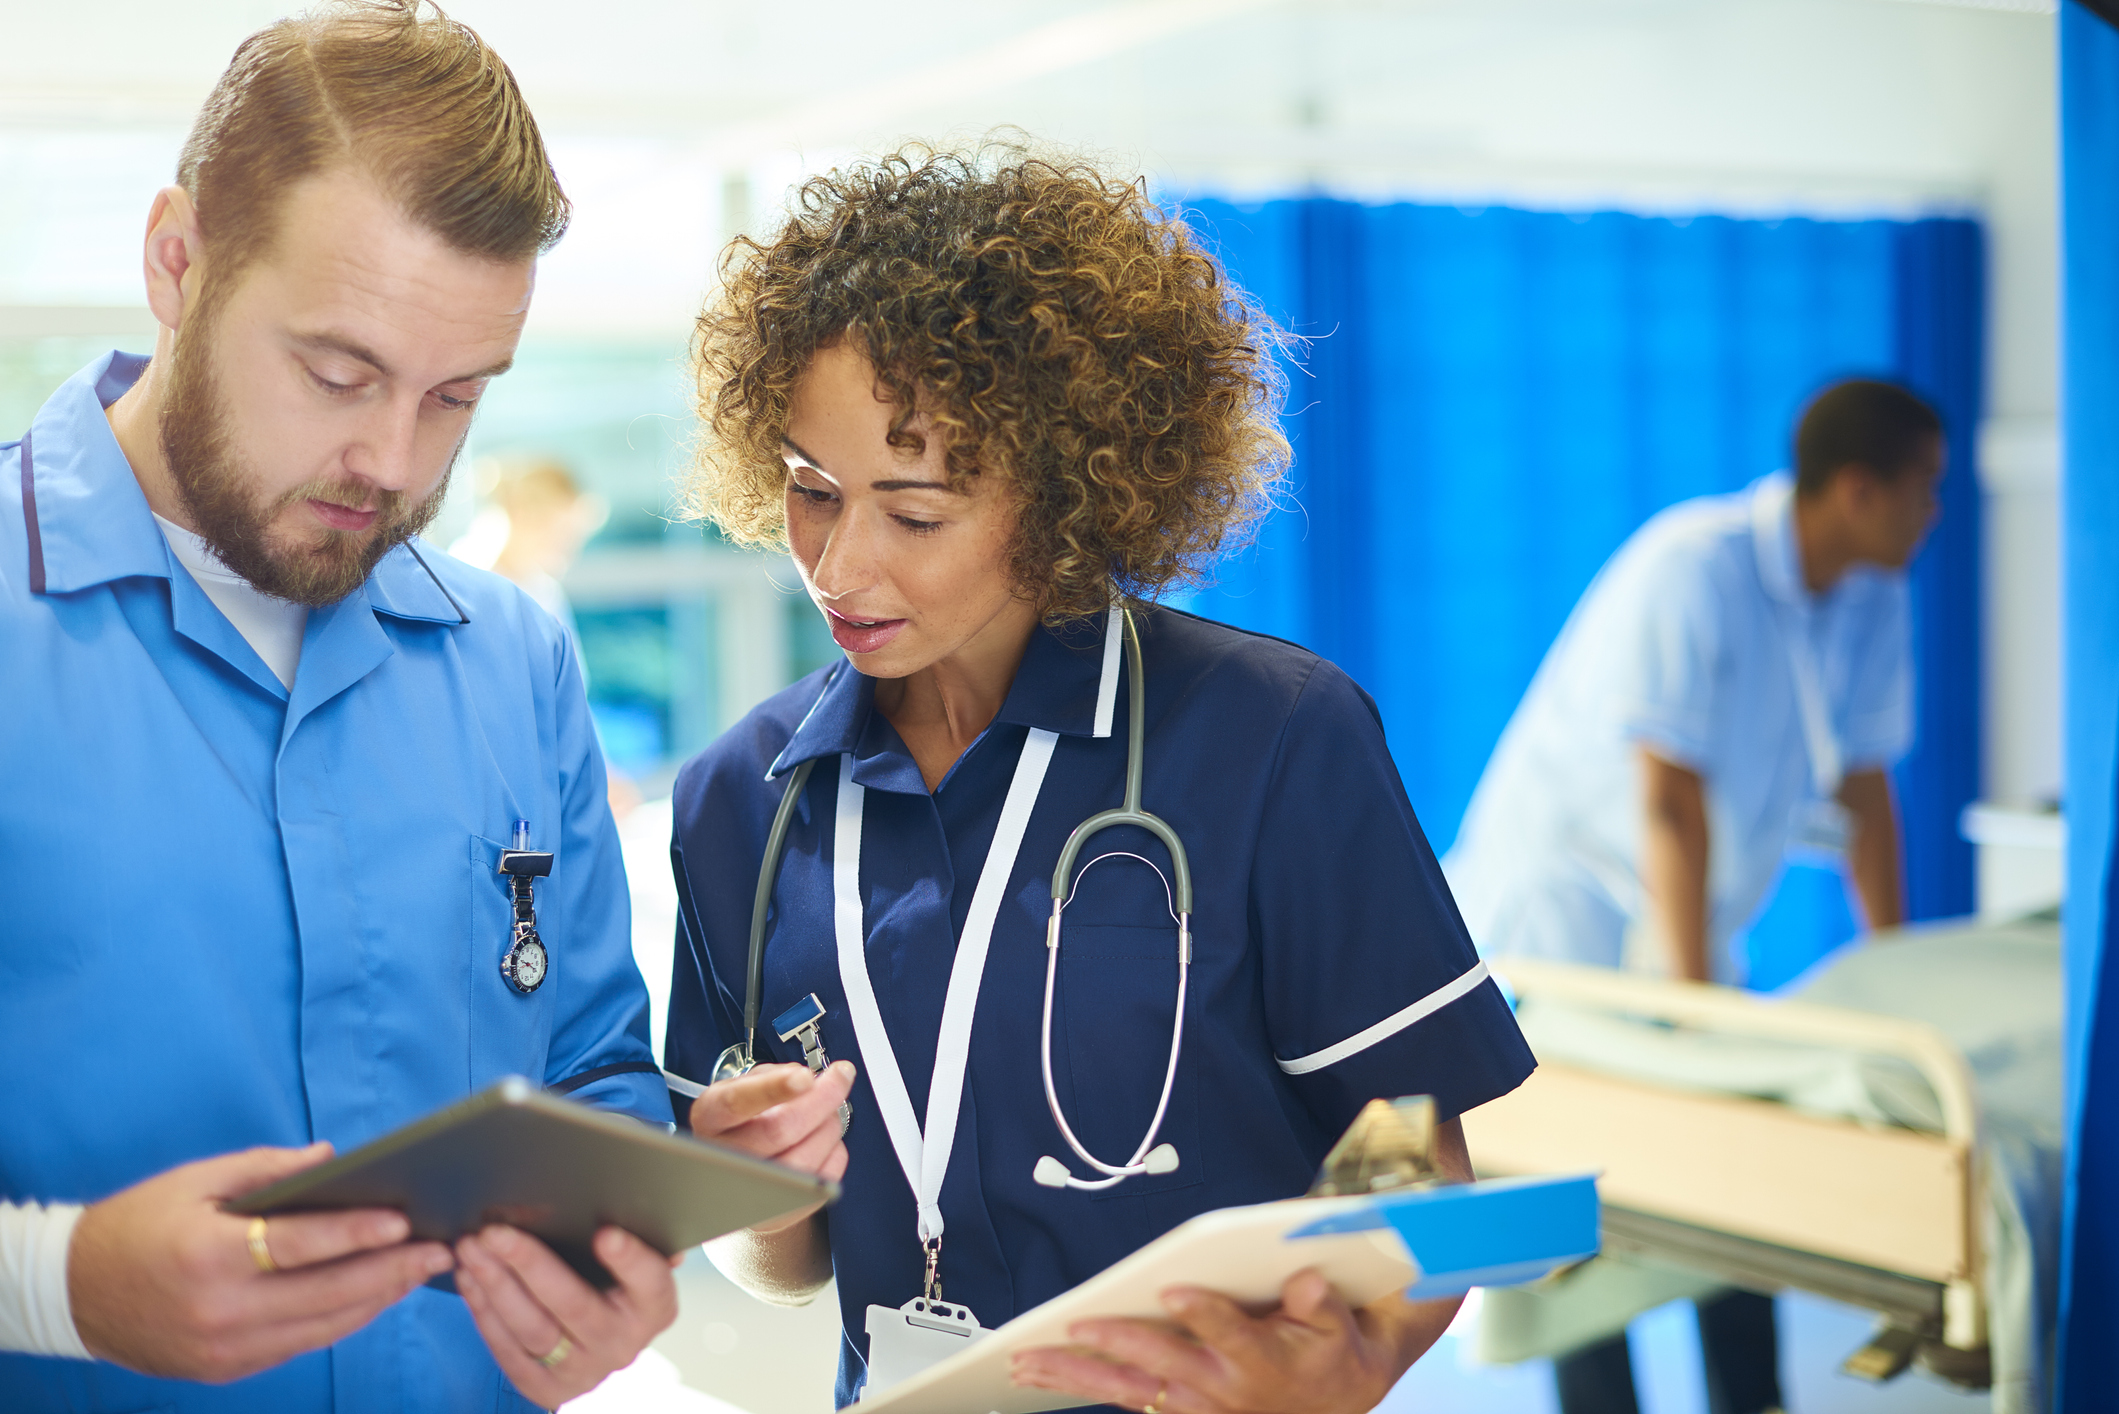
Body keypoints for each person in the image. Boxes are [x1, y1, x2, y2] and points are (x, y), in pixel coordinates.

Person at [660, 147, 1537, 1414]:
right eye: (810, 490)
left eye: (914, 515)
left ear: (1065, 489)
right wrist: (759, 1184)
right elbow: (777, 1267)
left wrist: (1331, 1371)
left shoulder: (1274, 738)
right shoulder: (744, 797)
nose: (839, 566)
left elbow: (1420, 1159)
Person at [0, 4, 678, 1410]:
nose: (390, 459)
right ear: (176, 261)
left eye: (455, 397)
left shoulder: (513, 661)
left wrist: (621, 1250)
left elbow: (595, 1069)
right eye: (335, 371)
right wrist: (55, 1285)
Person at [1442, 378, 1946, 1414]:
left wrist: (1901, 967)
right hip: (1567, 916)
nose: (1935, 513)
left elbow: (1863, 788)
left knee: (1725, 1181)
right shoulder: (1693, 569)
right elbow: (1665, 804)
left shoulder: (1872, 596)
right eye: (1924, 488)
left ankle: (1751, 1397)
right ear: (1857, 489)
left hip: (1685, 915)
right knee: (1575, 1203)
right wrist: (1688, 1009)